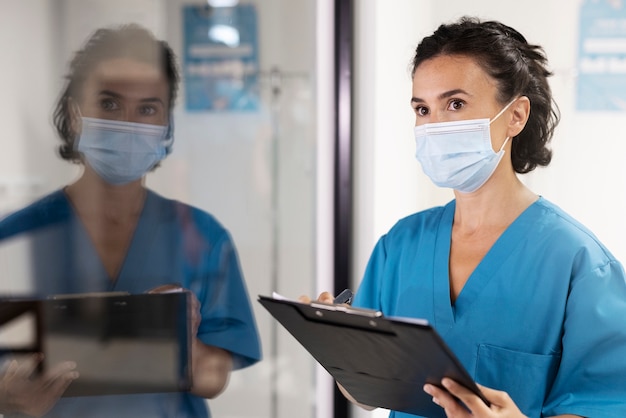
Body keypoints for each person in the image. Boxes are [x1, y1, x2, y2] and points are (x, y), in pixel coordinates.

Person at [302, 16, 626, 418]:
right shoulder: (399, 247)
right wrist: (343, 351)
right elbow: (367, 396)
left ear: (515, 116)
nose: (434, 126)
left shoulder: (579, 264)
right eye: (423, 109)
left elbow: (603, 405)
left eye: (455, 104)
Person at [0, 24, 261, 418]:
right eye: (109, 103)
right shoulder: (16, 237)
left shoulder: (204, 238)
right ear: (74, 115)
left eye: (148, 108)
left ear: (166, 126)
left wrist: (181, 340)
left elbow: (214, 377)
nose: (128, 122)